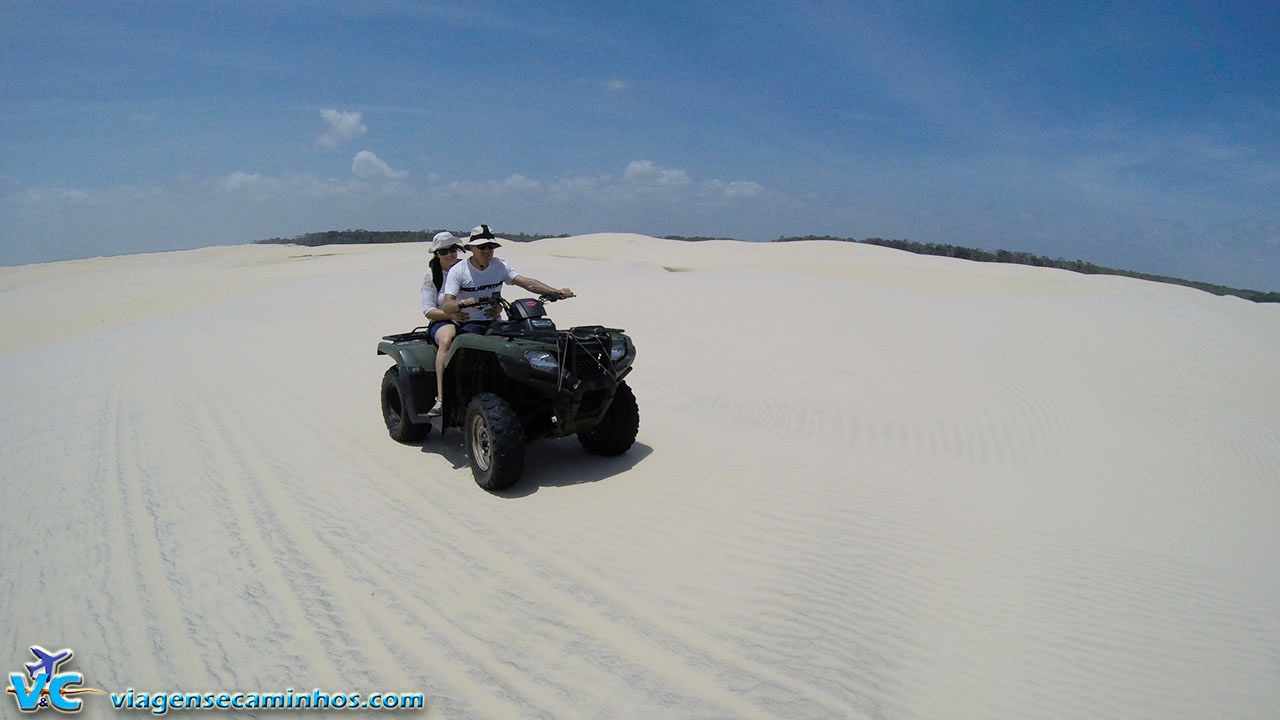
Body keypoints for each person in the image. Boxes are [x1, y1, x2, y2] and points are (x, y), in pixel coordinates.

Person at [442, 224, 573, 335]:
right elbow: (447, 306)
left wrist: (557, 292)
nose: (487, 251)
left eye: (490, 246)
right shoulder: (458, 270)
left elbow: (529, 284)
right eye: (482, 247)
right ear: (471, 248)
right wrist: (462, 303)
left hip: (495, 323)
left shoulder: (500, 266)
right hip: (469, 325)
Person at [421, 231, 469, 416]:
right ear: (437, 254)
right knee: (448, 339)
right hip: (442, 321)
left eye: (453, 249)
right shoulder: (432, 275)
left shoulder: (466, 269)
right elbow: (428, 310)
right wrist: (451, 316)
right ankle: (441, 400)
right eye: (444, 251)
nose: (450, 254)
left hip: (472, 319)